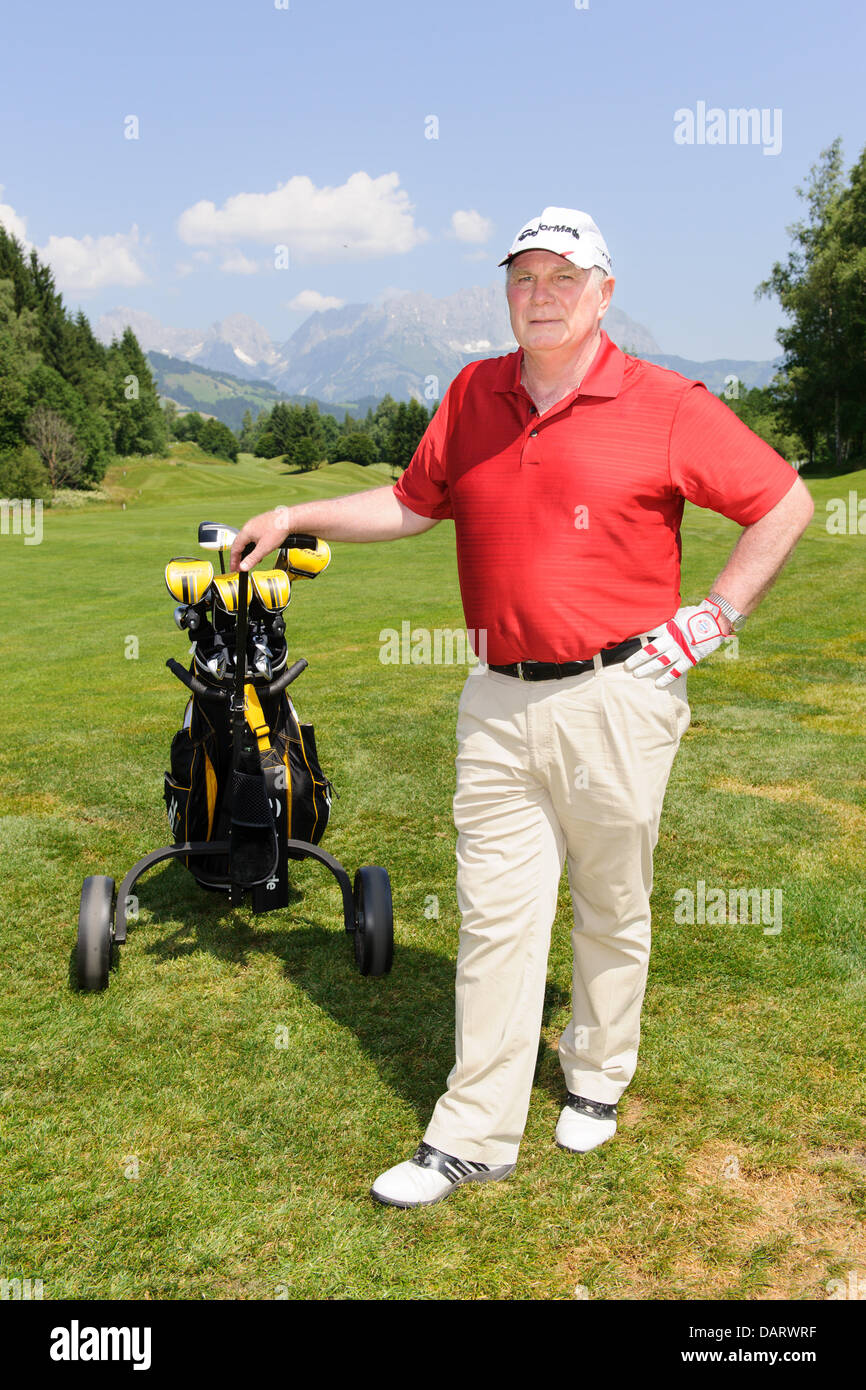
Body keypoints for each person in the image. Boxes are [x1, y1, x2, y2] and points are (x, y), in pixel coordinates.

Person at [230, 206, 814, 1209]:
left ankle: (593, 1070)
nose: (537, 295)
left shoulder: (663, 402)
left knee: (609, 900)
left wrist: (709, 622)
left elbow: (782, 500)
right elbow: (414, 503)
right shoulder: (472, 391)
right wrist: (294, 513)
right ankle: (472, 1135)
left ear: (602, 291)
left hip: (616, 695)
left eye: (559, 277)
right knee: (495, 916)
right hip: (495, 698)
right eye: (521, 278)